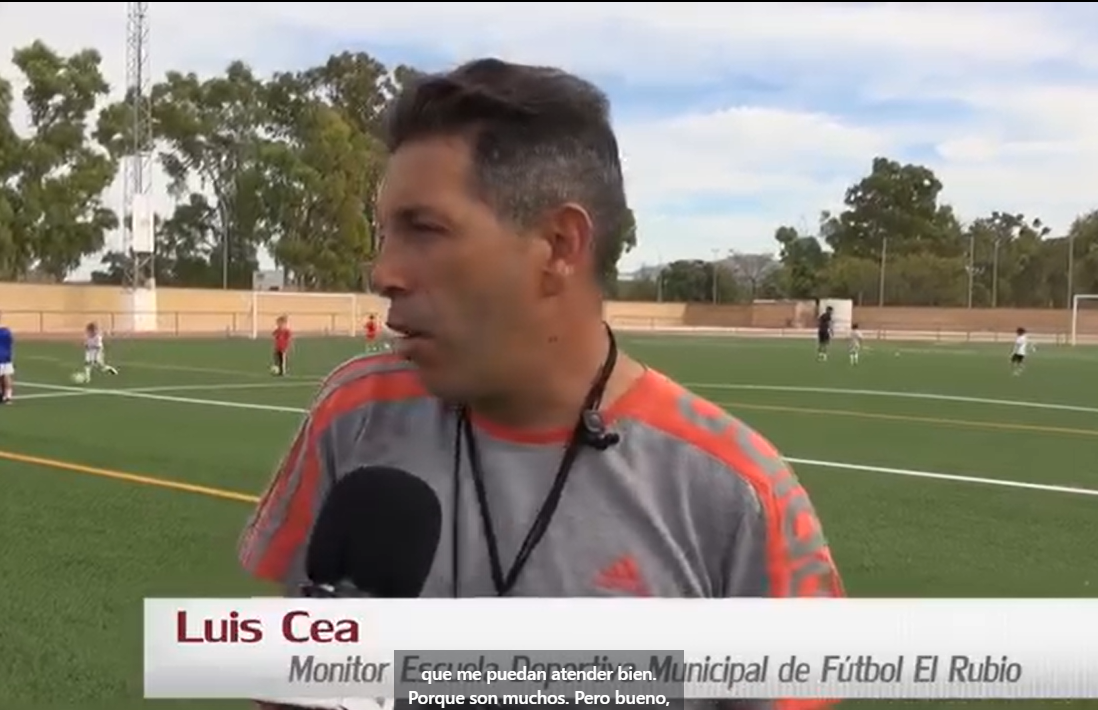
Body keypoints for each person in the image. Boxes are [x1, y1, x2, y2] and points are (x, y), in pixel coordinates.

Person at [240, 58, 842, 710]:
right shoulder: (356, 413)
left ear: (558, 244)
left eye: (425, 229)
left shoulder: (737, 494)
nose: (383, 272)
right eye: (385, 233)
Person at [0, 314, 13, 404]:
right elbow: (11, 342)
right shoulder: (7, 331)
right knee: (6, 375)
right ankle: (8, 395)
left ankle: (2, 394)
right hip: (7, 356)